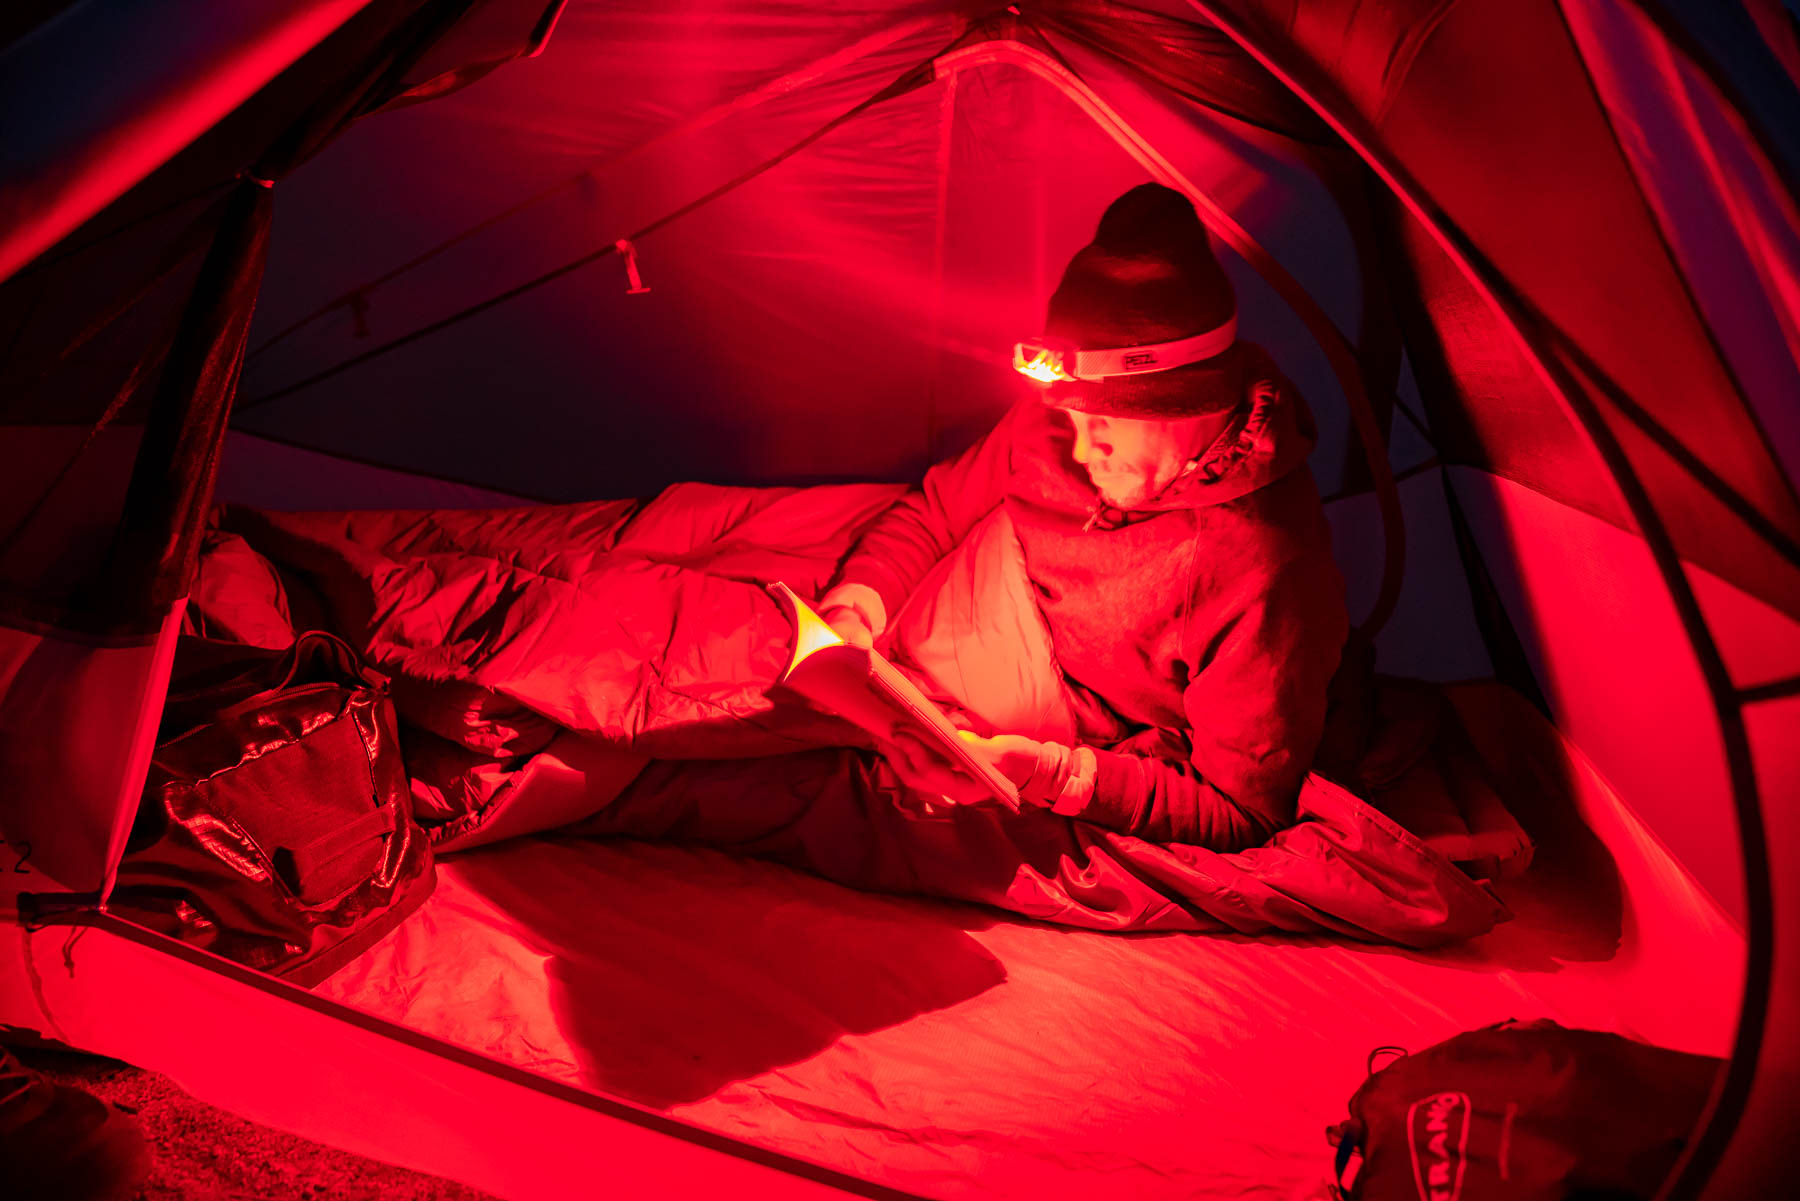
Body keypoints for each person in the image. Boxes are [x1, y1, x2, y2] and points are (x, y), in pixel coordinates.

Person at [815, 182, 1348, 851]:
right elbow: (934, 511)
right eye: (1069, 416)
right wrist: (854, 606)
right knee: (744, 617)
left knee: (719, 699)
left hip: (1033, 713)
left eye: (1101, 422)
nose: (1078, 447)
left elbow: (1240, 808)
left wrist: (1050, 775)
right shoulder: (1051, 429)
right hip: (931, 623)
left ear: (1188, 403)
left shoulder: (1261, 571)